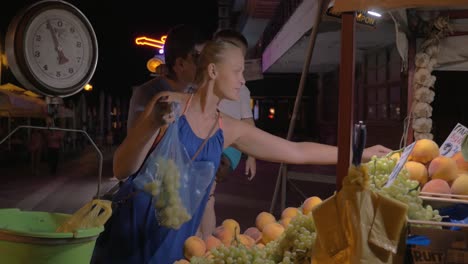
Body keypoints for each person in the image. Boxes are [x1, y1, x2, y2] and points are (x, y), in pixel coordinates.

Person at [94, 39, 391, 264]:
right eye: (237, 71)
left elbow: (295, 151)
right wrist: (152, 125)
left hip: (174, 245)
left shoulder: (230, 129)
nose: (242, 79)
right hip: (128, 235)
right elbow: (122, 169)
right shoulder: (167, 103)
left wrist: (359, 152)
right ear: (212, 71)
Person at [197, 29, 257, 239]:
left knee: (205, 195)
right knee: (200, 196)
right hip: (207, 143)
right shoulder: (194, 93)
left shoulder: (242, 90)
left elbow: (248, 122)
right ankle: (201, 240)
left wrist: (252, 155)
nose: (240, 78)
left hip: (229, 149)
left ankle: (204, 242)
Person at [126, 24, 207, 132]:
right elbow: (134, 143)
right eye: (199, 58)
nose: (206, 65)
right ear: (180, 64)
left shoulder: (197, 91)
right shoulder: (147, 95)